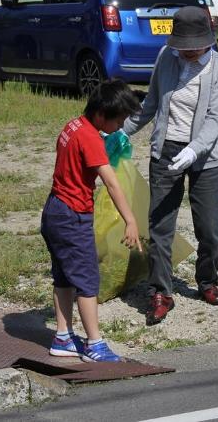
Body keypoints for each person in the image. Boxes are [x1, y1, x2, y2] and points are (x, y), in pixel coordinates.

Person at [123, 6, 218, 325]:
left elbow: (215, 120)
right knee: (160, 225)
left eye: (193, 45)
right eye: (181, 45)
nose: (186, 51)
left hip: (208, 156)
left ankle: (208, 281)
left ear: (207, 40)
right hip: (167, 149)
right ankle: (161, 292)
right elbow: (151, 105)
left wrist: (194, 150)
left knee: (209, 228)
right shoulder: (166, 57)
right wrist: (120, 133)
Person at [41, 79, 142, 362]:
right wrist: (130, 220)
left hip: (54, 211)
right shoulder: (91, 138)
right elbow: (110, 183)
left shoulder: (72, 126)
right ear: (102, 114)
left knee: (64, 275)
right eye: (119, 120)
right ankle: (94, 344)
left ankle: (63, 337)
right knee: (87, 280)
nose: (121, 127)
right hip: (73, 216)